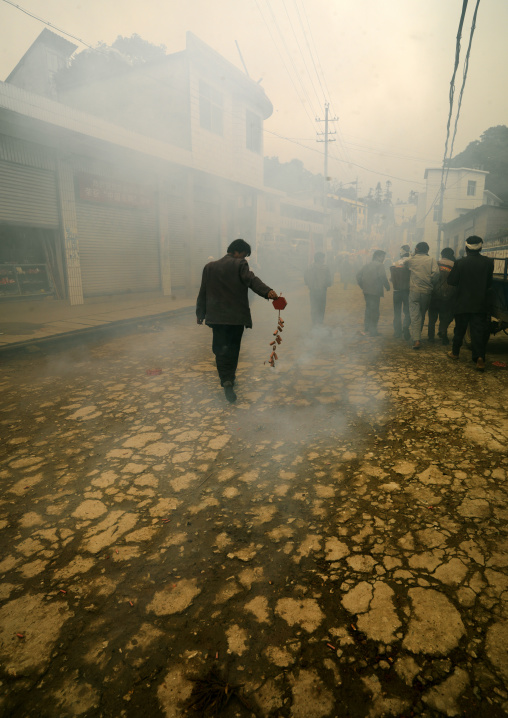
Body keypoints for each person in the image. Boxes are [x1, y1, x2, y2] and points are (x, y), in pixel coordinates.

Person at [196, 239, 278, 403]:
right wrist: (268, 291)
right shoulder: (240, 265)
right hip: (235, 318)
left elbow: (203, 291)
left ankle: (225, 379)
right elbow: (252, 280)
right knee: (233, 348)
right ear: (238, 252)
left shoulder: (209, 267)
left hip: (217, 318)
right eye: (245, 255)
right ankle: (230, 378)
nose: (245, 259)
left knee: (219, 349)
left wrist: (200, 313)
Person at [446, 235, 494, 371]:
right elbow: (489, 283)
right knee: (477, 332)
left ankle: (455, 353)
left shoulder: (460, 263)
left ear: (466, 248)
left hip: (462, 302)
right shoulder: (488, 262)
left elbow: (451, 281)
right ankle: (479, 358)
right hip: (480, 304)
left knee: (459, 329)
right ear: (481, 247)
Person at [406, 241, 439, 350]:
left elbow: (402, 263)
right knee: (422, 314)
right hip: (427, 291)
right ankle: (417, 336)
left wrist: (413, 254)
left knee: (415, 315)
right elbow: (436, 274)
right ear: (427, 250)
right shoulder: (431, 260)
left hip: (414, 291)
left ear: (416, 249)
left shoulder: (412, 260)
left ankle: (416, 340)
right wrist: (431, 283)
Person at [356, 249, 390, 337]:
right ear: (378, 257)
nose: (383, 259)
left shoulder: (367, 265)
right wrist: (387, 286)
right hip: (375, 291)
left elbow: (358, 275)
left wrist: (362, 285)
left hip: (366, 291)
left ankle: (367, 328)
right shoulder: (380, 265)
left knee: (368, 310)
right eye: (383, 257)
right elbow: (382, 276)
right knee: (375, 311)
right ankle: (373, 330)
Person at [427, 247, 456, 345]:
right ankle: (443, 335)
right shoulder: (454, 266)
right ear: (451, 255)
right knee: (444, 317)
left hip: (434, 295)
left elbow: (430, 278)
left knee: (432, 317)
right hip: (448, 296)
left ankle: (431, 337)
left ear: (442, 254)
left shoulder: (435, 263)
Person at [304, 252, 333, 325]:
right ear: (319, 258)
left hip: (312, 290)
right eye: (323, 258)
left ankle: (314, 322)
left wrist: (310, 285)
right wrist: (327, 284)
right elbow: (329, 280)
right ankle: (320, 322)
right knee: (321, 307)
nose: (323, 259)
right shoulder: (325, 268)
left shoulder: (309, 267)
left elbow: (305, 279)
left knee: (313, 307)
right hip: (322, 291)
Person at [389, 244, 411, 340]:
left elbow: (391, 279)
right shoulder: (411, 263)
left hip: (396, 291)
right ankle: (405, 326)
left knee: (397, 312)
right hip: (407, 291)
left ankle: (397, 332)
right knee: (407, 311)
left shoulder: (396, 263)